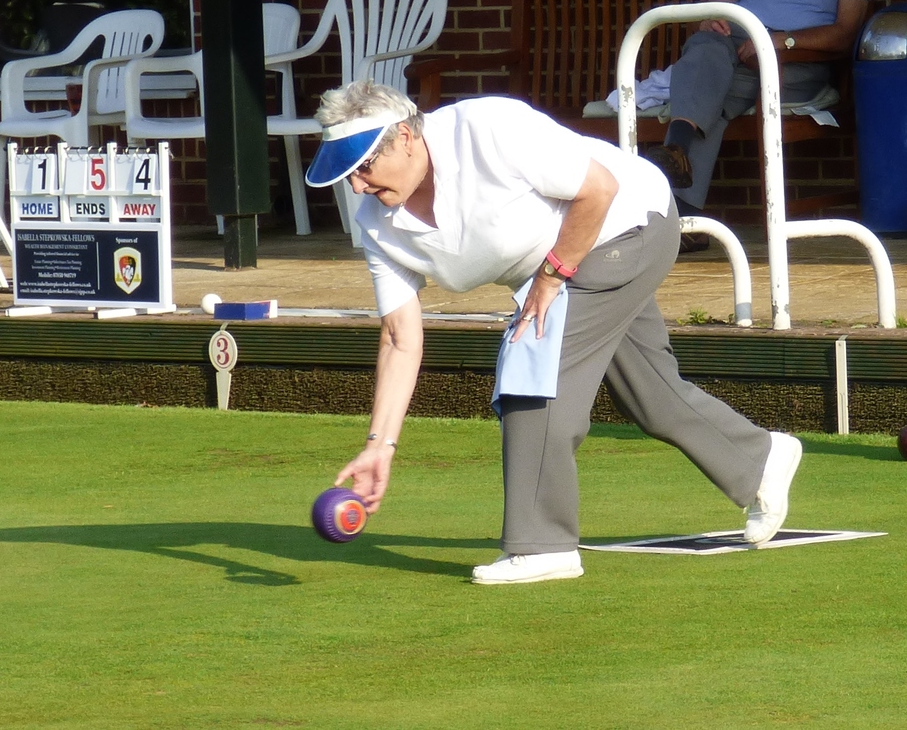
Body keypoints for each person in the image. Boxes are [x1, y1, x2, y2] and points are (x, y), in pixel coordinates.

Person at [304, 80, 803, 585]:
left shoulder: (489, 128)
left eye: (364, 166)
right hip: (562, 264)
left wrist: (550, 277)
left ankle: (542, 545)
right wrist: (378, 445)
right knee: (651, 396)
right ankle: (758, 458)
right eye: (349, 174)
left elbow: (600, 189)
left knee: (531, 366)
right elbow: (399, 337)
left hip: (627, 225)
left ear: (406, 138)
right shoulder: (376, 224)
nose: (358, 187)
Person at [646, 0, 874, 243]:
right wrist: (711, 20)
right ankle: (682, 200)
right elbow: (716, 5)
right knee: (705, 43)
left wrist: (781, 41)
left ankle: (677, 207)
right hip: (735, 50)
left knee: (706, 95)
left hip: (797, 59)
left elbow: (845, 31)